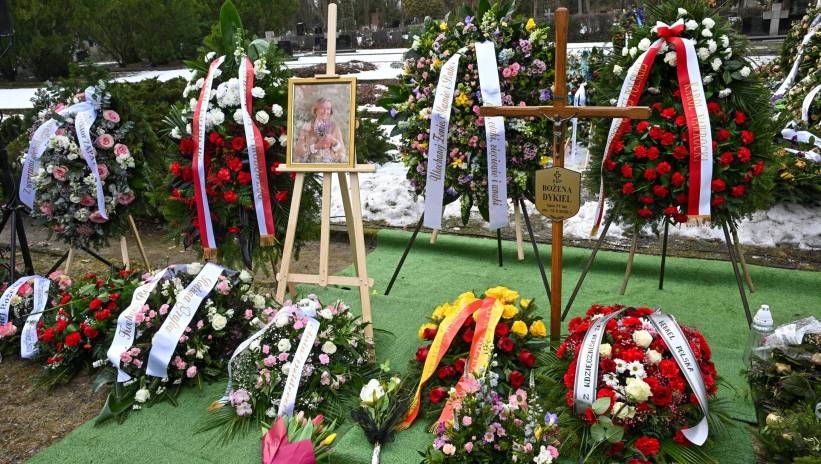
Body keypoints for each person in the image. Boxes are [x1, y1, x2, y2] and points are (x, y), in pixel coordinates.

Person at [293, 97, 347, 164]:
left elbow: (342, 153)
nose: (325, 112)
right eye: (322, 108)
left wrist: (334, 141)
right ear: (315, 110)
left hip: (330, 167)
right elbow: (298, 153)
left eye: (328, 109)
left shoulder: (335, 128)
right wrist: (316, 146)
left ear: (331, 111)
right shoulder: (306, 127)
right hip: (311, 167)